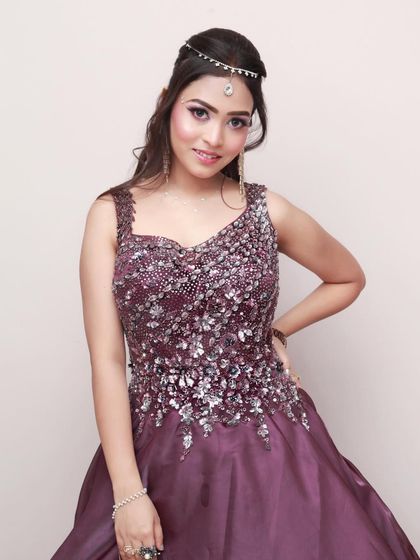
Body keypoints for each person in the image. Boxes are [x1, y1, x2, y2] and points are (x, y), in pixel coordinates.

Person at [51, 27, 419, 560]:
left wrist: (277, 331)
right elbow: (108, 362)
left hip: (271, 449)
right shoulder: (111, 216)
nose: (214, 137)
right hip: (157, 456)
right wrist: (128, 492)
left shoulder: (267, 211)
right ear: (167, 102)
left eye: (236, 122)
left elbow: (347, 276)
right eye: (199, 112)